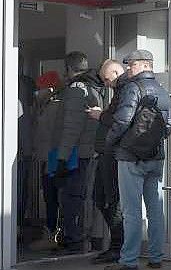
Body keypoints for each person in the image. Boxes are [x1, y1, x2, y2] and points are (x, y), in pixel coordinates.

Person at [104, 50, 171, 270]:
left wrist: (109, 142)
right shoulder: (162, 91)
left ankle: (129, 260)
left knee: (131, 212)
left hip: (131, 158)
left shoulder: (133, 88)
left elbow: (122, 121)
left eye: (131, 65)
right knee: (155, 210)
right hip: (156, 156)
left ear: (145, 65)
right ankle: (156, 257)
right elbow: (167, 128)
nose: (129, 69)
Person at [55, 51, 103, 255]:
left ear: (68, 69)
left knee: (71, 197)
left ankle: (73, 239)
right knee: (79, 195)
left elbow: (71, 128)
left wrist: (62, 157)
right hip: (87, 151)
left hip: (76, 153)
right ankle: (79, 237)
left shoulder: (76, 90)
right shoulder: (93, 88)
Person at [85, 60, 127, 264]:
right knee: (101, 199)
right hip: (106, 154)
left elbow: (120, 121)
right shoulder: (120, 92)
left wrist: (100, 114)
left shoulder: (126, 91)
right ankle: (117, 246)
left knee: (111, 201)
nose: (107, 84)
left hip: (113, 155)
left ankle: (119, 246)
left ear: (117, 72)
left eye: (108, 79)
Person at [32, 71, 64, 248]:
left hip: (53, 158)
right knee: (50, 196)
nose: (37, 92)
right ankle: (52, 232)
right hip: (47, 157)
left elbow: (53, 135)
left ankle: (53, 234)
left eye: (40, 88)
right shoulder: (45, 106)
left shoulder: (55, 106)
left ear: (50, 88)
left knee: (53, 197)